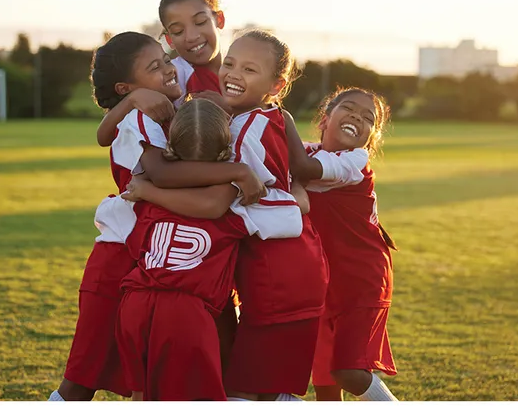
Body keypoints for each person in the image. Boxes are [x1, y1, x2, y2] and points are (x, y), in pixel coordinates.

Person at [49, 32, 263, 401]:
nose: (169, 68)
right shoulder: (139, 116)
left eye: (165, 59)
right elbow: (161, 174)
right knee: (83, 379)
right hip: (125, 262)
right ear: (126, 86)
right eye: (156, 66)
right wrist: (238, 173)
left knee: (161, 380)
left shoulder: (160, 109)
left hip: (162, 259)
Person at [218, 30, 329, 401]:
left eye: (249, 69)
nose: (233, 73)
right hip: (299, 258)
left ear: (276, 84)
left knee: (243, 391)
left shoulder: (242, 128)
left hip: (276, 268)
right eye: (229, 63)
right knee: (273, 386)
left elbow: (232, 199)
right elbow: (298, 173)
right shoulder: (274, 115)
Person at [114, 98, 249, 401]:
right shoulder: (229, 198)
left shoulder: (151, 194)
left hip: (135, 303)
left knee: (143, 395)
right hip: (185, 312)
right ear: (227, 151)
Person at [290, 87, 399, 401]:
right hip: (325, 283)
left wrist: (279, 118)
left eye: (368, 118)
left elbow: (303, 169)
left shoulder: (354, 161)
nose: (357, 117)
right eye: (349, 108)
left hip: (362, 281)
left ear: (370, 138)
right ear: (325, 120)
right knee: (325, 384)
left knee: (347, 372)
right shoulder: (308, 151)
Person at [95, 0, 227, 148]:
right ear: (169, 39)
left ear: (219, 20)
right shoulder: (174, 75)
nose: (191, 36)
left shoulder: (242, 70)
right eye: (178, 30)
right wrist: (134, 99)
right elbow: (104, 137)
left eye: (200, 22)